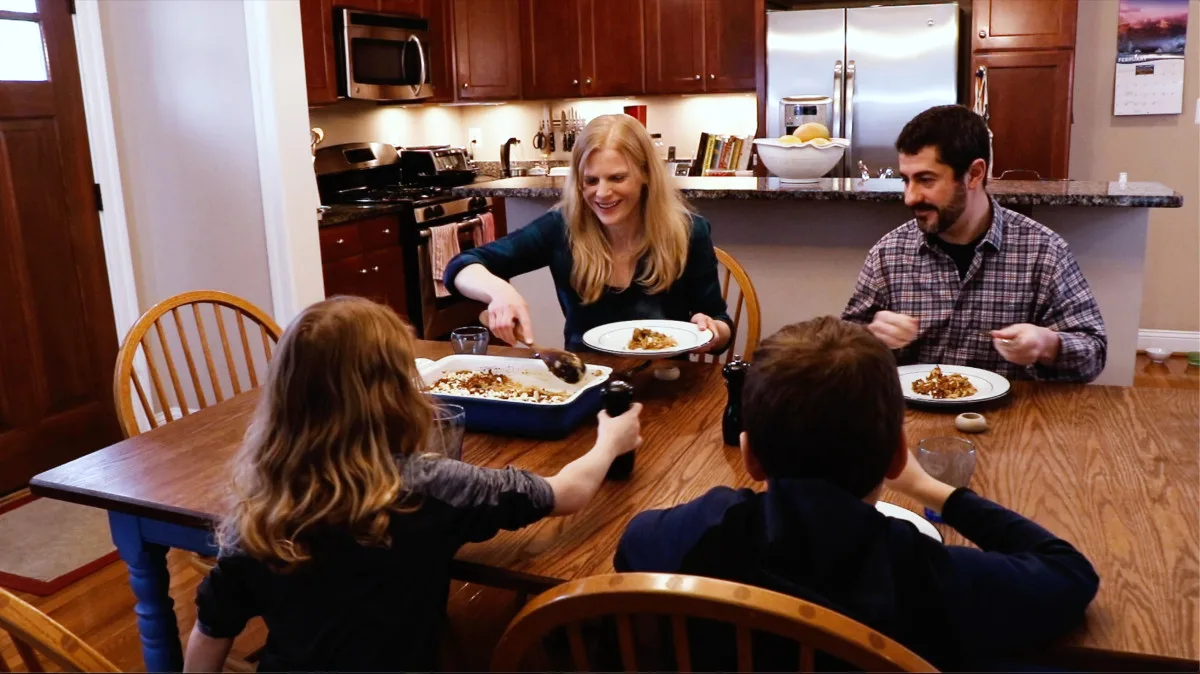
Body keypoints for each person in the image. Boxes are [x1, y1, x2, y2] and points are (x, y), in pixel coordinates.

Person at [182, 297, 642, 672]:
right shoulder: (432, 486)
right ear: (398, 394)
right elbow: (567, 493)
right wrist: (609, 443)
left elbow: (210, 633)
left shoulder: (260, 512)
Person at [614, 318, 1099, 670]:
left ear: (750, 456)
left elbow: (630, 544)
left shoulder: (702, 529)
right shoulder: (926, 572)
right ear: (896, 457)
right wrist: (937, 491)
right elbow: (1070, 574)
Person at [842, 104, 1106, 382]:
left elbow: (1094, 355)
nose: (910, 197)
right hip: (913, 418)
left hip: (1011, 418)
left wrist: (1047, 344)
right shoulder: (889, 253)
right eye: (906, 180)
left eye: (926, 180)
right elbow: (842, 350)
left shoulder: (1043, 252)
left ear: (975, 174)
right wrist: (871, 335)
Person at [445, 113, 732, 354]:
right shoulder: (562, 227)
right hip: (587, 383)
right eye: (590, 181)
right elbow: (459, 267)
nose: (603, 193)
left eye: (617, 178)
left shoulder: (689, 231)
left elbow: (721, 325)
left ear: (645, 174)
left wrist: (711, 332)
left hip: (668, 385)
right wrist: (501, 292)